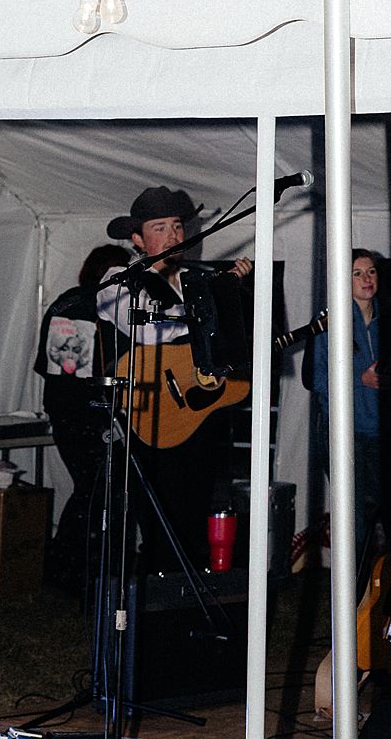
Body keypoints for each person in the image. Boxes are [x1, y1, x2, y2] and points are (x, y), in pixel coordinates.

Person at [95, 185, 253, 572]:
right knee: (161, 518)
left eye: (178, 226)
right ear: (137, 238)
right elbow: (153, 333)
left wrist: (230, 294)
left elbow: (225, 347)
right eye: (160, 227)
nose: (174, 236)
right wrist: (206, 305)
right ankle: (158, 598)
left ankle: (189, 595)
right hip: (148, 415)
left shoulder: (192, 281)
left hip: (192, 412)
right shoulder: (120, 280)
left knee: (196, 508)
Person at [308, 249, 391, 561]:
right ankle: (354, 597)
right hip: (344, 434)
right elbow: (316, 378)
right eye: (357, 273)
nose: (366, 279)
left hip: (382, 434)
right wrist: (359, 379)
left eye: (371, 271)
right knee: (355, 519)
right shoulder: (327, 323)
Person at [34, 242, 130, 590]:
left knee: (90, 488)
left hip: (63, 410)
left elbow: (48, 366)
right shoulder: (107, 306)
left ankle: (69, 568)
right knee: (98, 489)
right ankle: (70, 570)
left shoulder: (64, 301)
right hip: (92, 412)